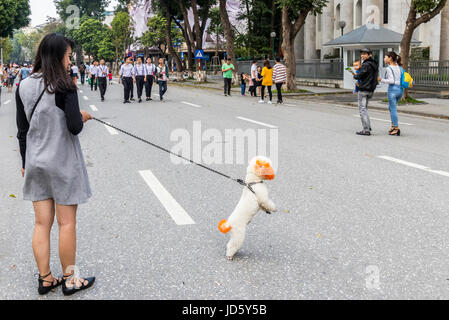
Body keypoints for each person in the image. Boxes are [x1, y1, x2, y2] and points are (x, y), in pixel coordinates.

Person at [15, 33, 95, 296]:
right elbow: (73, 126)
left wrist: (25, 161)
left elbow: (22, 130)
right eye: (68, 56)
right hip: (62, 162)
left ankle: (46, 278)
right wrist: (82, 116)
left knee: (41, 224)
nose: (69, 60)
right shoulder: (65, 85)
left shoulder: (24, 86)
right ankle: (71, 279)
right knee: (66, 224)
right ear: (59, 55)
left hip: (35, 162)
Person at [352, 48, 379, 136]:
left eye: (364, 54)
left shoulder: (366, 65)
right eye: (362, 54)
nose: (362, 56)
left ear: (369, 54)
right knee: (365, 109)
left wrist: (355, 75)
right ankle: (368, 126)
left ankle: (366, 129)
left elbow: (359, 76)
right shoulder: (374, 64)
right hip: (371, 89)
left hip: (364, 89)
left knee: (362, 109)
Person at [378, 51, 403, 136]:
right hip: (400, 90)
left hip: (393, 90)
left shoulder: (389, 68)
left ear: (390, 58)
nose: (384, 59)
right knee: (391, 108)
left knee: (393, 109)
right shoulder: (400, 67)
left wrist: (381, 80)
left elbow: (391, 81)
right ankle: (393, 126)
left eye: (385, 57)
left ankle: (396, 128)